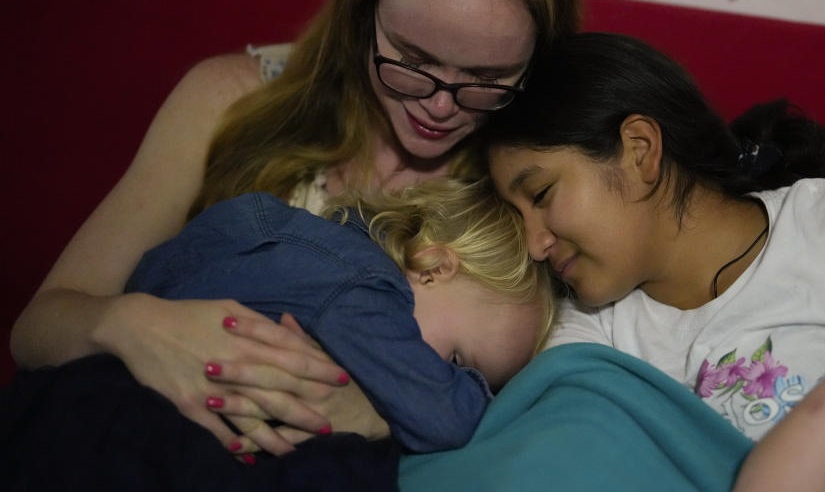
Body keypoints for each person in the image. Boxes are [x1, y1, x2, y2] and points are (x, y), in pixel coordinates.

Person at [10, 0, 580, 456]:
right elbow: (38, 328)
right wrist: (136, 327)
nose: (439, 106)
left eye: (487, 79)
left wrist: (380, 411)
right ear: (365, 11)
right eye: (411, 59)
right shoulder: (231, 99)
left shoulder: (527, 194)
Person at [484, 32, 825, 490]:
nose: (534, 244)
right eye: (517, 217)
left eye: (542, 194)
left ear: (639, 151)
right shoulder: (587, 336)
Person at [3, 178, 553, 490]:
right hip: (139, 430)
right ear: (432, 266)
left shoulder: (280, 241)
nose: (447, 375)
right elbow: (446, 417)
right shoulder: (362, 289)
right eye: (459, 359)